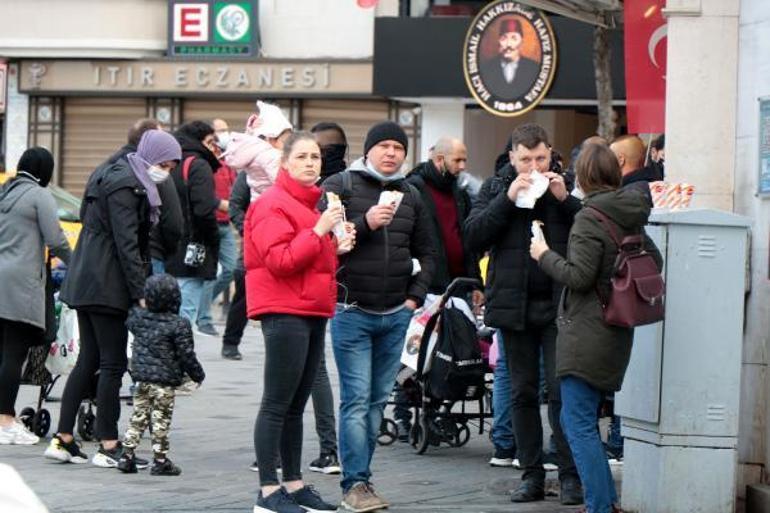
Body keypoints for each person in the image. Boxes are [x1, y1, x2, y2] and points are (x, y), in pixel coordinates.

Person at [529, 142, 662, 513]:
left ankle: (599, 506)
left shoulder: (590, 217)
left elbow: (580, 276)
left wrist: (544, 255)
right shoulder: (629, 213)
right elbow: (655, 259)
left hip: (587, 331)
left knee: (578, 423)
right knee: (585, 419)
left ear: (584, 177)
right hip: (616, 329)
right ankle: (607, 502)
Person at [47, 130, 182, 467]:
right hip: (106, 282)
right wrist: (140, 292)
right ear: (149, 156)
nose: (165, 171)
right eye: (163, 164)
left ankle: (63, 438)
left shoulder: (109, 171)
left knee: (89, 359)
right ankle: (109, 443)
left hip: (87, 276)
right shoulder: (128, 184)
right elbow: (126, 243)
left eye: (170, 166)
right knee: (112, 364)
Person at [464, 123, 583, 505]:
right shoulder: (497, 187)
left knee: (562, 391)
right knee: (522, 392)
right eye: (525, 159)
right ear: (512, 157)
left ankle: (569, 476)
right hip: (512, 305)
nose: (533, 166)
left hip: (557, 304)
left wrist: (566, 201)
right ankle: (530, 474)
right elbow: (473, 235)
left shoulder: (562, 187)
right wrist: (508, 199)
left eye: (541, 158)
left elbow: (589, 233)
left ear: (551, 154)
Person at [321, 121, 437, 512]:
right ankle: (354, 485)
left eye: (398, 147)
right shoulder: (341, 186)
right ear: (368, 149)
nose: (391, 152)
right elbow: (326, 245)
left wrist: (413, 299)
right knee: (356, 400)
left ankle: (362, 480)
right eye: (383, 145)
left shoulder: (412, 194)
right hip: (352, 310)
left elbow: (430, 252)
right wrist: (366, 223)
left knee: (375, 403)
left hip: (395, 314)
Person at [246, 132, 351, 513]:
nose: (311, 163)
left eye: (316, 157)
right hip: (284, 311)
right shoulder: (271, 204)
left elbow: (308, 260)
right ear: (286, 163)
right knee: (277, 401)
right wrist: (321, 231)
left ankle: (293, 482)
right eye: (303, 157)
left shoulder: (310, 206)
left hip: (311, 310)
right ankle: (268, 491)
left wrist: (334, 245)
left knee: (296, 403)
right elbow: (281, 261)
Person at [398, 136, 483, 437]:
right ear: (439, 160)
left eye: (464, 159)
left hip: (457, 284)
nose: (463, 166)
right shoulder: (414, 188)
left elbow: (467, 239)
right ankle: (403, 410)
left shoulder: (459, 193)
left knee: (448, 352)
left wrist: (476, 282)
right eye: (457, 160)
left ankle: (436, 411)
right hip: (426, 284)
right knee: (419, 351)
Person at [0, 148, 71, 445]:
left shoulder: (4, 192)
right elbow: (55, 239)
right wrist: (77, 260)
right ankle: (5, 420)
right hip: (21, 283)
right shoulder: (39, 195)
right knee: (14, 354)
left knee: (1, 352)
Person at [117, 274, 206, 476]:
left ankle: (126, 456)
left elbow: (130, 314)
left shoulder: (138, 319)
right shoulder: (179, 324)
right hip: (164, 384)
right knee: (161, 421)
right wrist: (197, 374)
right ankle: (160, 461)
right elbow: (186, 355)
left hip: (140, 380)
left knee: (137, 418)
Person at [105, 118, 184, 276]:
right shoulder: (143, 174)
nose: (166, 172)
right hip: (148, 255)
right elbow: (173, 223)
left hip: (117, 258)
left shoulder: (111, 166)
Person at [165, 121, 221, 329]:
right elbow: (204, 210)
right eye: (210, 141)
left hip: (166, 245)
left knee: (170, 308)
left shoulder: (170, 161)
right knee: (186, 311)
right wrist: (213, 239)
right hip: (192, 246)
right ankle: (178, 357)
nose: (214, 147)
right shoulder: (198, 165)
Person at [196, 118, 239, 339]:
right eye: (220, 131)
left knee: (231, 269)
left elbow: (234, 188)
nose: (224, 134)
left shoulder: (227, 161)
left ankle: (199, 307)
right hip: (209, 223)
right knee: (209, 274)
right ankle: (203, 318)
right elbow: (204, 195)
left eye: (226, 129)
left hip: (225, 223)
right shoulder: (203, 162)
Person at [479, 18, 541, 101]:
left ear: (521, 41)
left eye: (514, 38)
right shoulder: (485, 69)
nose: (508, 44)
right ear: (499, 40)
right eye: (504, 38)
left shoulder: (534, 68)